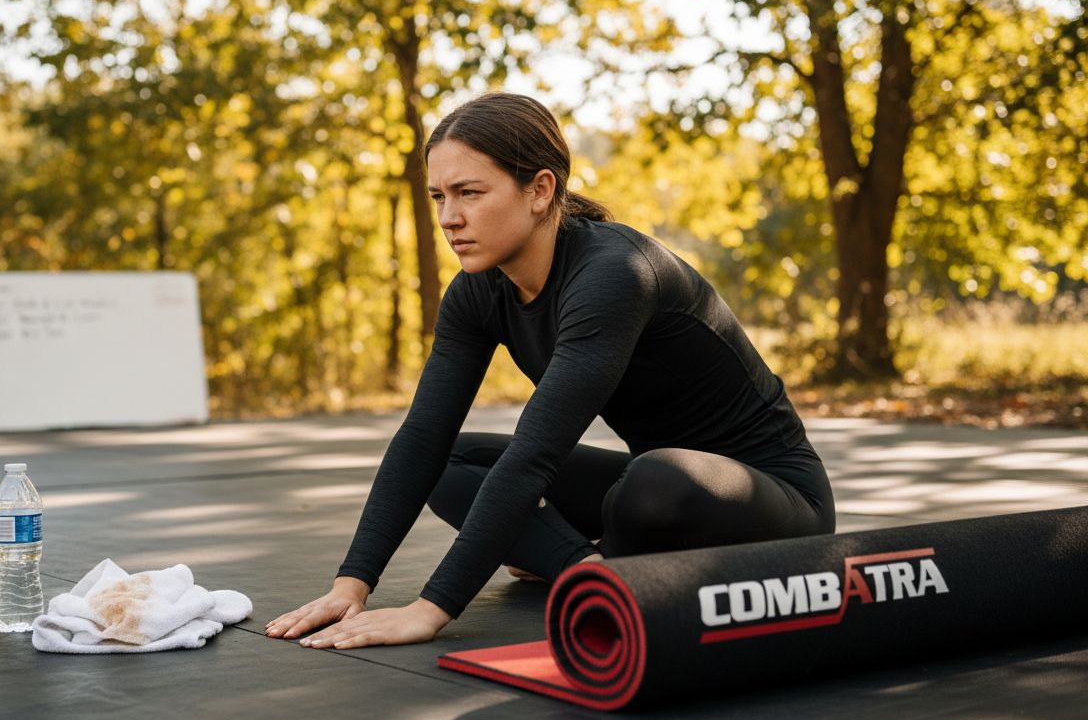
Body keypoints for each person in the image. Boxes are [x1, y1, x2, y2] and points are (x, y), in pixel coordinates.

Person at [264, 92, 834, 650]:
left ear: (540, 190)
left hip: (770, 499)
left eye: (469, 193)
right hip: (641, 497)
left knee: (653, 481)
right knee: (453, 461)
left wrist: (431, 608)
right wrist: (352, 583)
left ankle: (585, 554)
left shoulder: (615, 273)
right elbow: (422, 436)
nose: (448, 217)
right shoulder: (476, 293)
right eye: (439, 196)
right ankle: (588, 569)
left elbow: (535, 454)